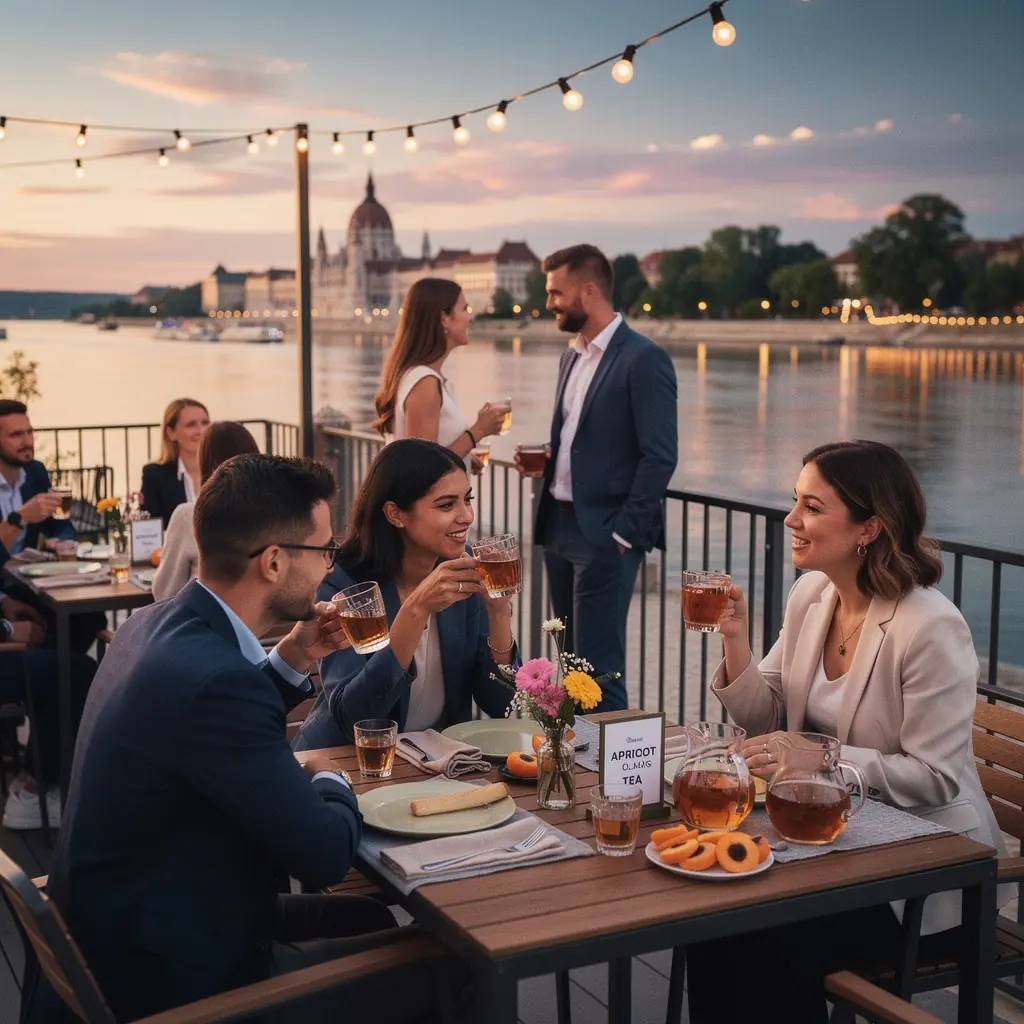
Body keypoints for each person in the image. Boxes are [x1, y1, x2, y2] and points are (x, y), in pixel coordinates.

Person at [24, 455, 448, 1024]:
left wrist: (295, 654)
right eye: (324, 550)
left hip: (127, 929)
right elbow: (323, 854)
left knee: (365, 919)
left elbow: (213, 730)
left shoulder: (156, 625)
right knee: (453, 966)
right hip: (176, 983)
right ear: (273, 561)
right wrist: (327, 773)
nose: (330, 566)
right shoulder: (216, 682)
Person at [685, 440, 1007, 1024]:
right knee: (710, 917)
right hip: (829, 842)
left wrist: (817, 755)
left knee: (767, 938)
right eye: (794, 502)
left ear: (870, 528)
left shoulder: (930, 627)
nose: (791, 520)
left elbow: (935, 778)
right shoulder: (813, 595)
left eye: (812, 506)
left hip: (920, 871)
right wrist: (735, 640)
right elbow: (766, 714)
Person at [516, 244, 677, 712]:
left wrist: (625, 533)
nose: (549, 304)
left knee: (598, 670)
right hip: (560, 525)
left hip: (605, 533)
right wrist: (549, 460)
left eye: (556, 293)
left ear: (588, 291)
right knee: (572, 665)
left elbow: (660, 456)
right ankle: (574, 769)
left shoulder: (644, 358)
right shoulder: (572, 356)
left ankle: (614, 781)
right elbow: (581, 438)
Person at [294, 439, 514, 750]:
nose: (466, 516)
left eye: (468, 499)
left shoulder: (461, 567)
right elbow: (354, 717)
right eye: (447, 505)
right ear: (396, 514)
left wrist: (500, 614)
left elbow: (502, 705)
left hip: (438, 764)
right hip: (342, 764)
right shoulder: (342, 581)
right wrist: (416, 610)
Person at [0, 400, 105, 654]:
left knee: (90, 617)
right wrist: (21, 516)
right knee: (67, 644)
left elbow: (60, 523)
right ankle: (51, 672)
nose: (27, 441)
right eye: (16, 435)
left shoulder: (34, 472)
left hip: (24, 580)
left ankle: (55, 670)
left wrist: (64, 541)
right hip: (4, 586)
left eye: (29, 432)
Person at [372, 278, 507, 474]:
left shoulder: (421, 377)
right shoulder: (424, 382)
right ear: (444, 319)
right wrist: (478, 430)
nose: (470, 317)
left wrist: (464, 456)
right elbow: (422, 467)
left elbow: (432, 451)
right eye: (465, 308)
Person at [152, 421, 259, 601]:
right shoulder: (280, 515)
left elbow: (165, 592)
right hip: (271, 628)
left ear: (204, 461)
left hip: (208, 625)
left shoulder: (190, 516)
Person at [140, 397, 210, 527]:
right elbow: (150, 529)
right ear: (171, 433)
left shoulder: (225, 471)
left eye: (205, 423)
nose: (201, 431)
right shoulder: (154, 475)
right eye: (191, 425)